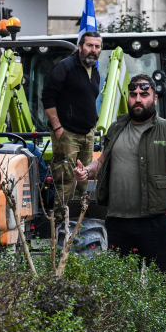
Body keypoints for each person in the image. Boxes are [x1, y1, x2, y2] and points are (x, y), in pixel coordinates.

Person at [77, 74, 166, 282]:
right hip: (118, 223)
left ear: (155, 99)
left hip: (156, 222)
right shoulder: (116, 128)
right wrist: (86, 171)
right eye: (133, 94)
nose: (138, 99)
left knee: (165, 287)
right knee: (120, 290)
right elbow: (103, 163)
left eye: (144, 94)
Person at [41, 30, 102, 225]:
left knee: (83, 182)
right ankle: (60, 227)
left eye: (97, 47)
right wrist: (58, 128)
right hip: (67, 134)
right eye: (89, 46)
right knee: (66, 181)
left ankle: (78, 226)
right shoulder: (64, 67)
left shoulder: (95, 72)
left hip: (87, 134)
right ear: (80, 47)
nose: (93, 50)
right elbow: (48, 97)